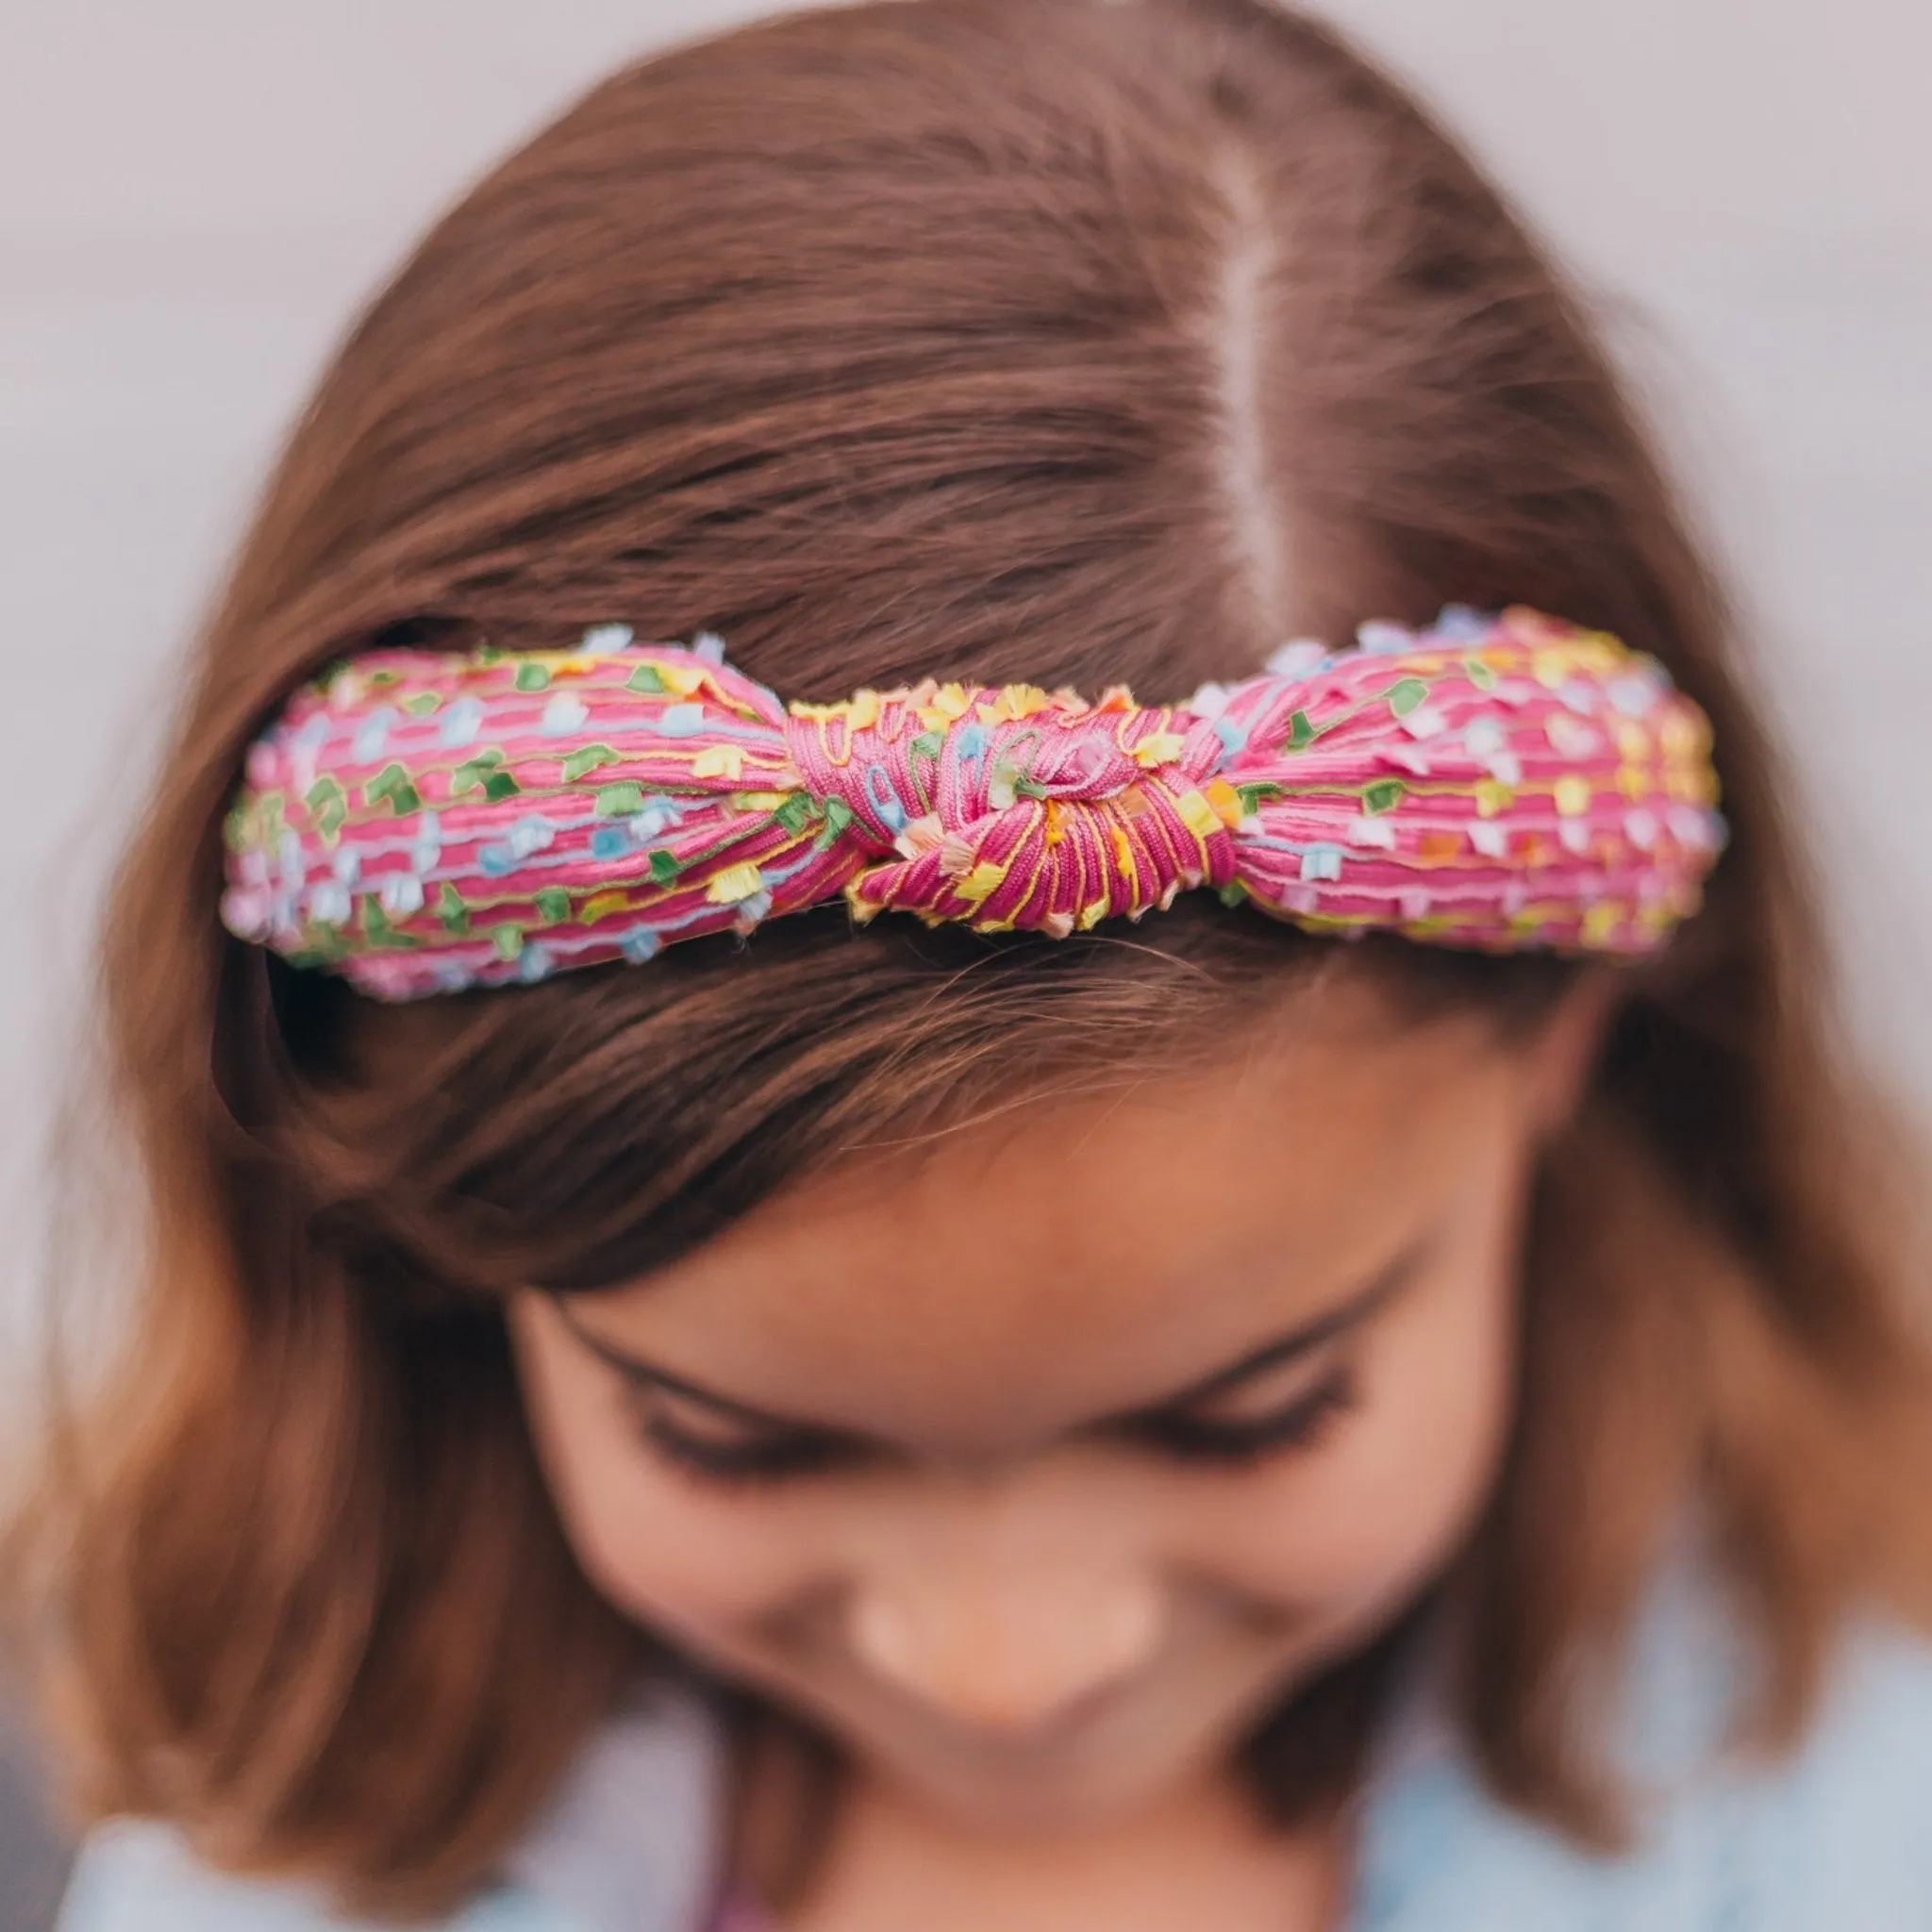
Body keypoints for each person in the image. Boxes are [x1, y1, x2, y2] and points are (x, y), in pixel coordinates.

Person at [14, 0, 1932, 1925]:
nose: (1009, 1663)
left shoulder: (1848, 1827)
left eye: (1255, 1412)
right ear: (404, 1215)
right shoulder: (257, 1856)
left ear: (1564, 1030)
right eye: (729, 1443)